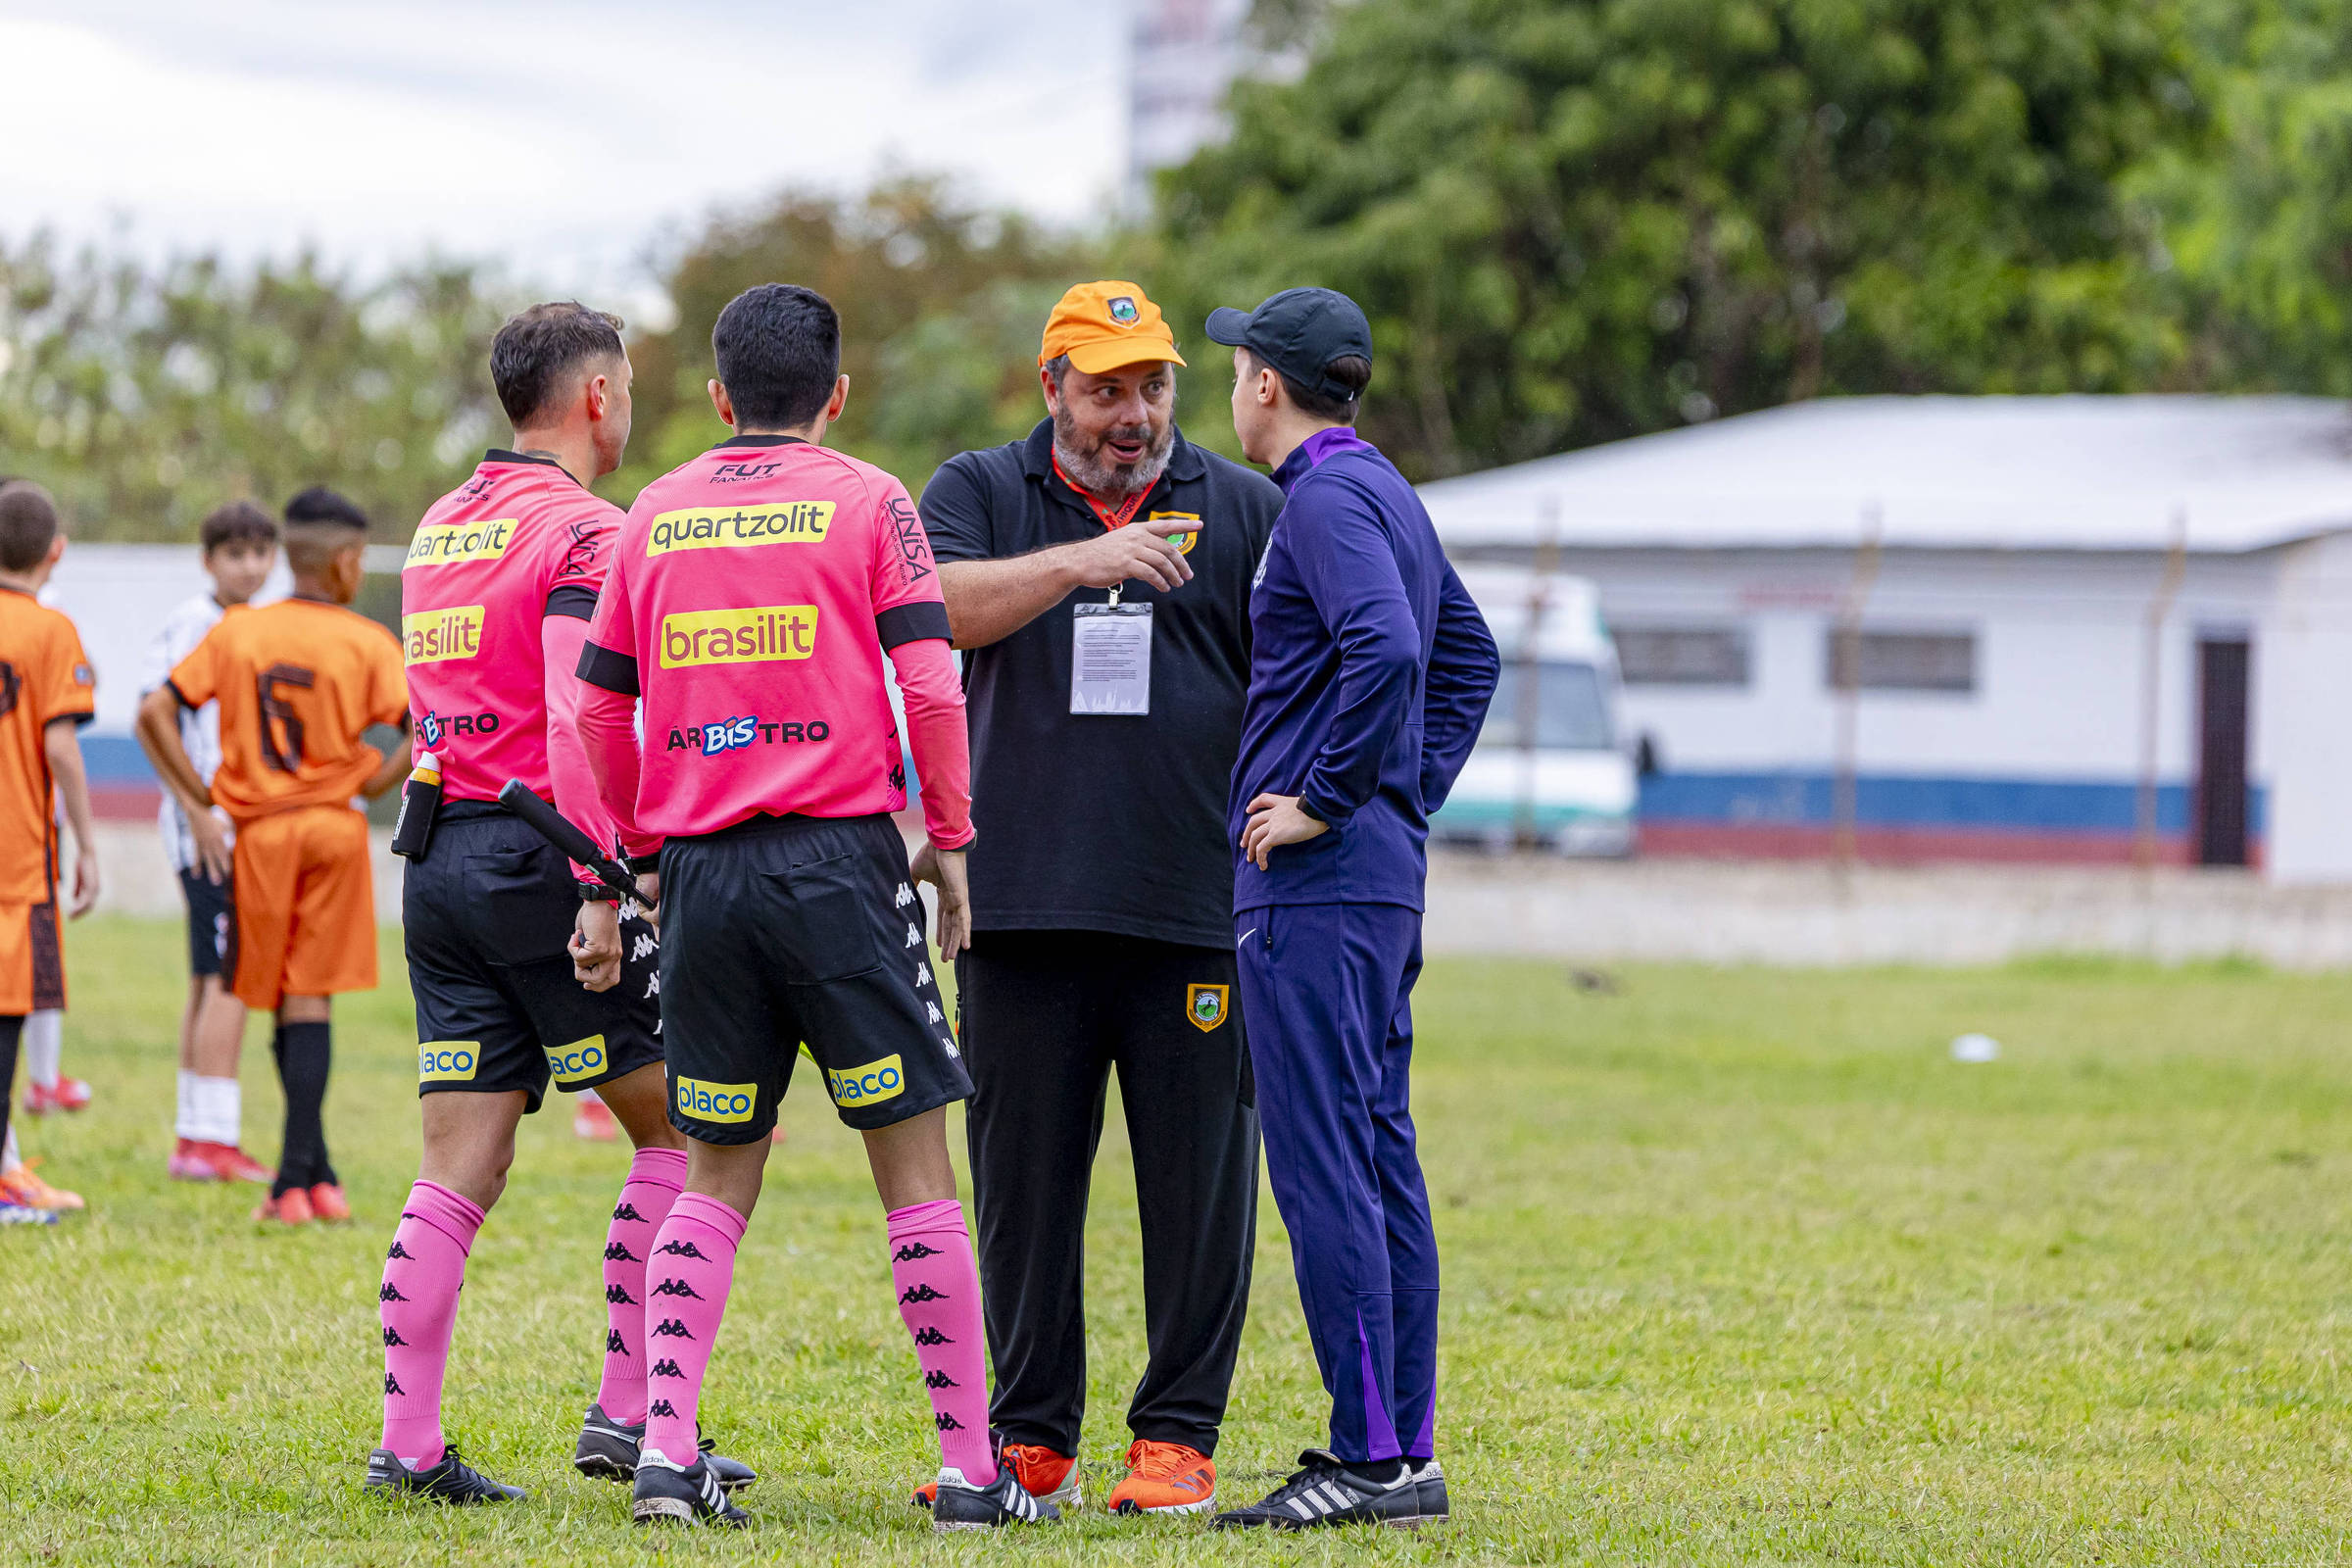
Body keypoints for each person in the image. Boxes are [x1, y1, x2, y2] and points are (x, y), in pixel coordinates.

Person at [571, 282, 1037, 1533]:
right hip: (840, 863)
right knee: (917, 1172)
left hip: (705, 876)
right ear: (835, 395)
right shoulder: (873, 500)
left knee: (714, 1166)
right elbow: (932, 692)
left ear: (720, 397)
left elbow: (598, 712)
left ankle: (665, 1457)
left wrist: (642, 853)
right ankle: (967, 1473)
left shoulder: (652, 513)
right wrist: (949, 839)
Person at [362, 301, 752, 1507]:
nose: (629, 407)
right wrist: (602, 877)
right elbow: (574, 711)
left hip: (439, 864)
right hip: (546, 861)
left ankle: (408, 1443)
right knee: (682, 1132)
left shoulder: (442, 523)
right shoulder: (587, 529)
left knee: (459, 1165)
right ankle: (630, 1414)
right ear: (596, 396)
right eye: (628, 386)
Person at [911, 279, 1281, 1516]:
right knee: (1022, 1186)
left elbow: (1305, 675)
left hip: (1192, 905)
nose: (1136, 414)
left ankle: (1176, 1438)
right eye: (1108, 388)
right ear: (1051, 384)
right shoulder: (975, 491)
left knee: (1201, 1187)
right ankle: (1029, 1439)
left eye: (1156, 386)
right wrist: (1083, 561)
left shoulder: (1244, 507)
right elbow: (934, 615)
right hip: (1016, 904)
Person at [1201, 288, 1497, 1531]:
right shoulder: (1386, 487)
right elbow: (1471, 654)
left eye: (1235, 367)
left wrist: (1329, 800)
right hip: (1374, 879)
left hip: (1317, 889)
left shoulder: (1321, 498)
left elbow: (1387, 643)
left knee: (1328, 1165)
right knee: (1378, 1155)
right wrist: (1403, 797)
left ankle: (1370, 1460)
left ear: (1265, 383)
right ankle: (1403, 1449)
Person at [138, 487, 411, 1226]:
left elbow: (153, 711)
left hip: (256, 836)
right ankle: (302, 1177)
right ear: (349, 562)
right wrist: (370, 781)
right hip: (329, 831)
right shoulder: (366, 642)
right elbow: (424, 728)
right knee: (308, 998)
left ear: (290, 556)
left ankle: (308, 1173)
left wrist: (198, 800)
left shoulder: (239, 632)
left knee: (276, 995)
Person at [138, 500, 280, 1183]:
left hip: (234, 824)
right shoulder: (197, 626)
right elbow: (153, 718)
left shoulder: (261, 625)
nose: (249, 566)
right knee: (231, 975)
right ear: (208, 560)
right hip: (212, 829)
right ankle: (213, 1138)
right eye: (235, 553)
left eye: (260, 552)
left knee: (207, 976)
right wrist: (198, 808)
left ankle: (194, 1132)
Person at [0, 480, 100, 1225]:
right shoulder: (48, 629)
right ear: (54, 552)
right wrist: (89, 845)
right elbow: (60, 749)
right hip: (15, 856)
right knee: (8, 1014)